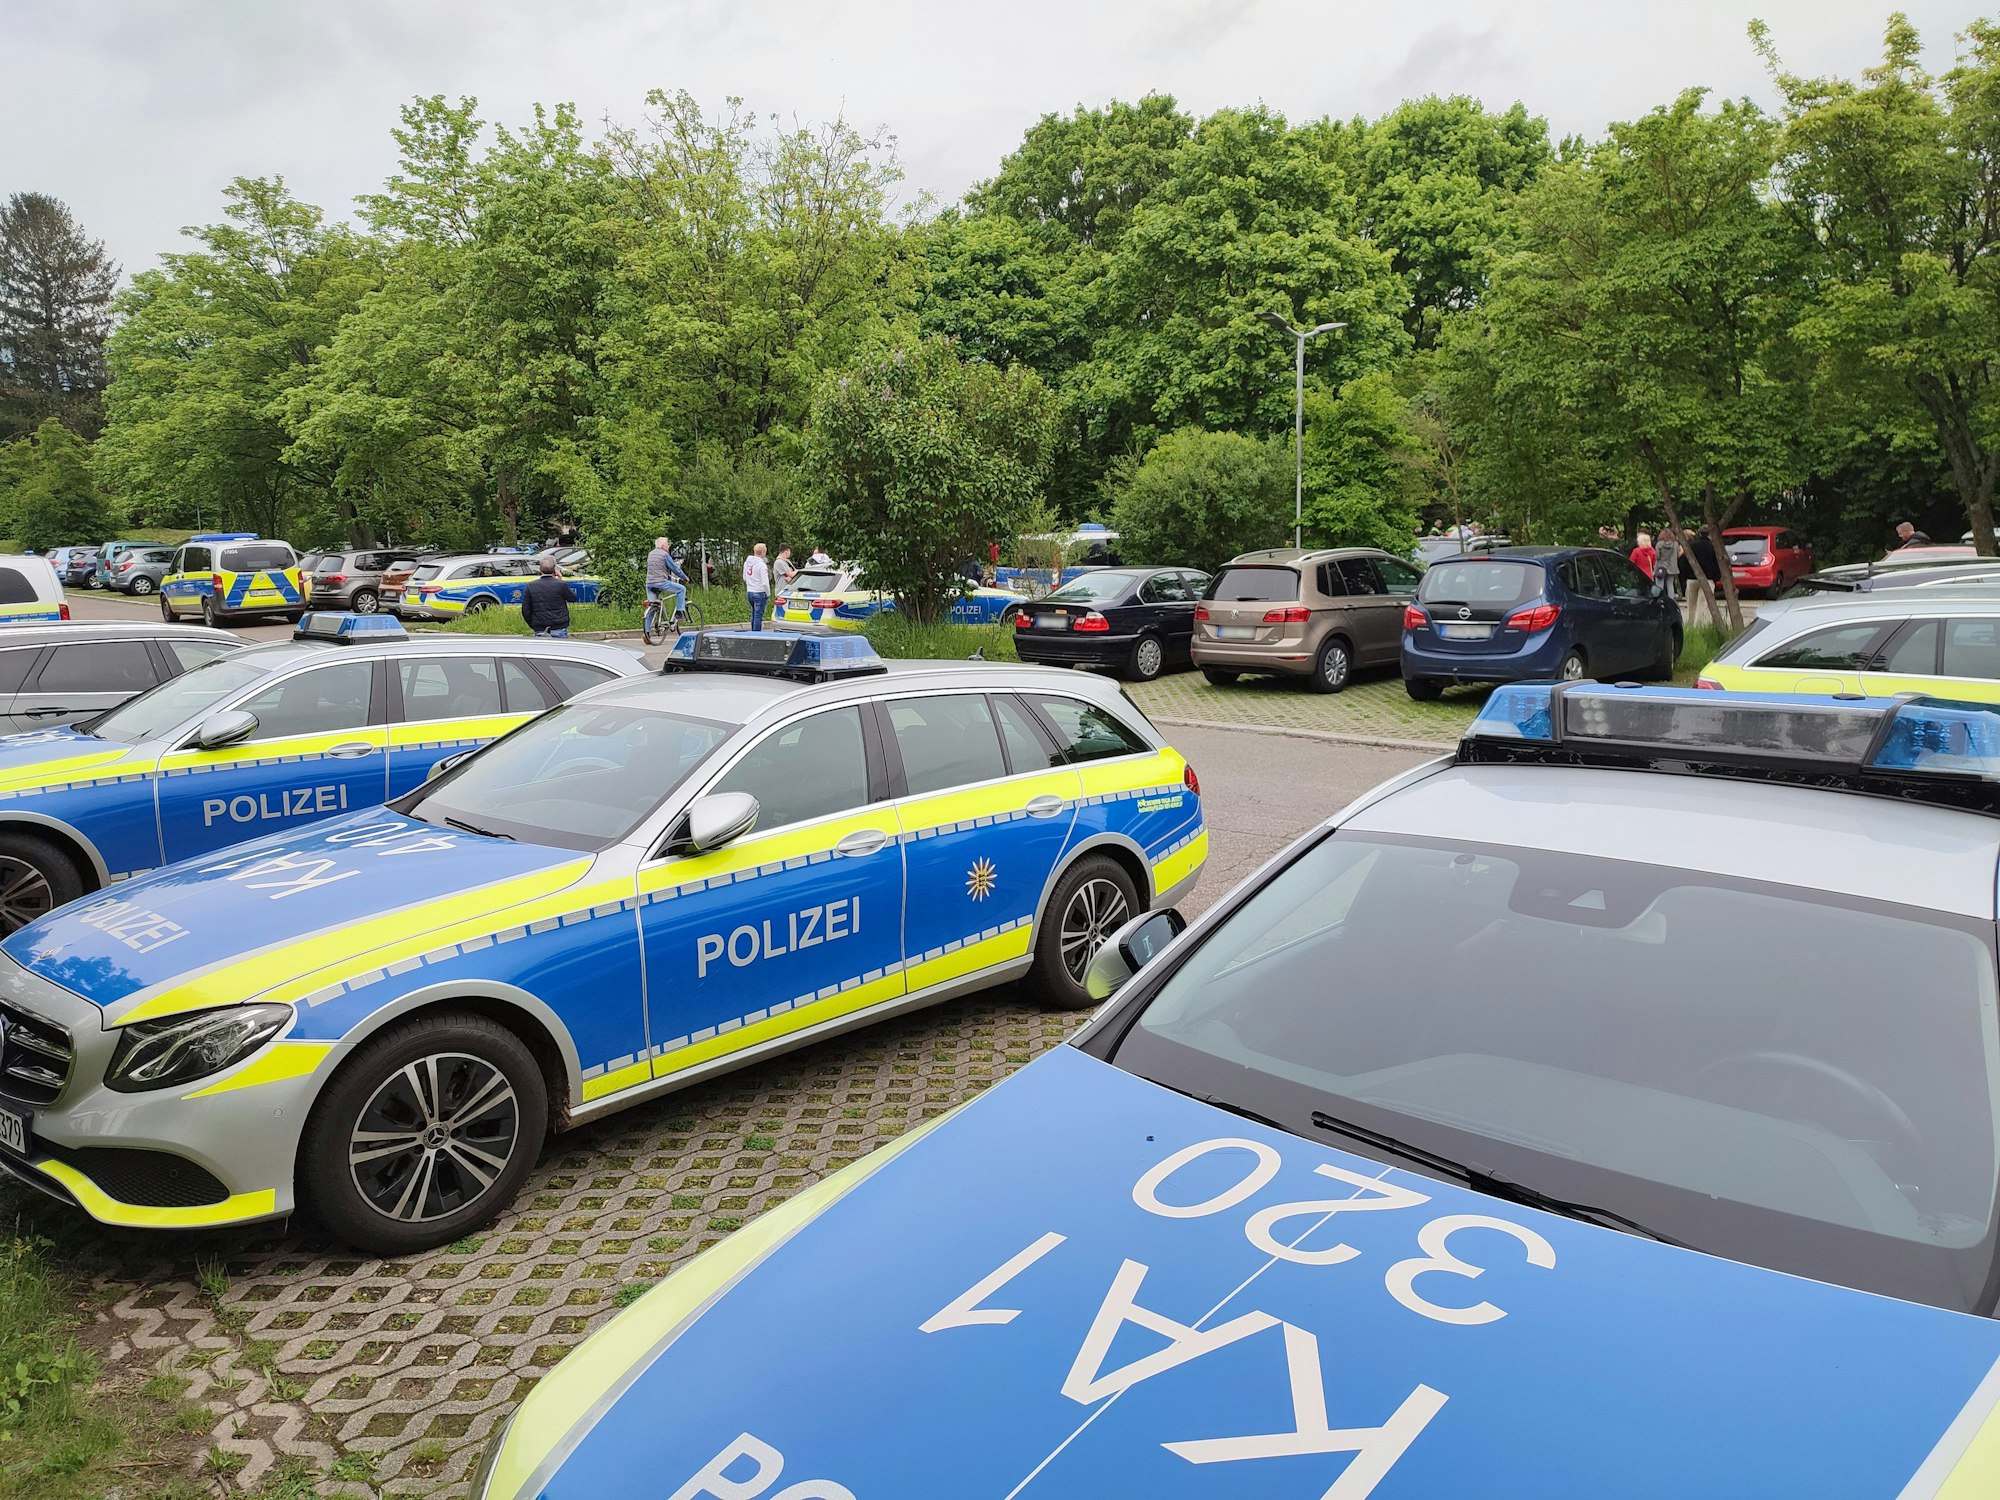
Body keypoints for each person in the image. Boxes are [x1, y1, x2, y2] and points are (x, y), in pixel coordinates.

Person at [521, 558, 573, 638]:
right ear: (554, 569)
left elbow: (526, 610)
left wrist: (533, 624)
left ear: (540, 569)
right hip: (559, 626)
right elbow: (572, 598)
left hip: (540, 628)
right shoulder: (560, 584)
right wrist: (561, 580)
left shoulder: (531, 586)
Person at [645, 536, 687, 623]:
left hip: (649, 584)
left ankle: (646, 633)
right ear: (663, 546)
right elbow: (675, 569)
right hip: (661, 582)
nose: (668, 546)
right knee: (682, 589)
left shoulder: (651, 553)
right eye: (667, 544)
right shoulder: (664, 555)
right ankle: (679, 613)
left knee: (652, 607)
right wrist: (684, 577)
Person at [743, 543, 771, 631]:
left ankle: (752, 632)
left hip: (750, 592)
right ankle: (756, 635)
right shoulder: (761, 565)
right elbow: (765, 582)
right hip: (759, 592)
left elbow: (744, 577)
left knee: (754, 614)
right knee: (758, 616)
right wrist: (768, 593)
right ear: (763, 553)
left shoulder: (747, 563)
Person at [1654, 527, 1682, 598]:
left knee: (1659, 584)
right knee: (1670, 585)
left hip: (1661, 567)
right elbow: (1677, 555)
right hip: (1672, 567)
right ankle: (1671, 600)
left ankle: (1660, 599)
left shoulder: (1659, 544)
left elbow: (1657, 557)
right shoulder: (1675, 544)